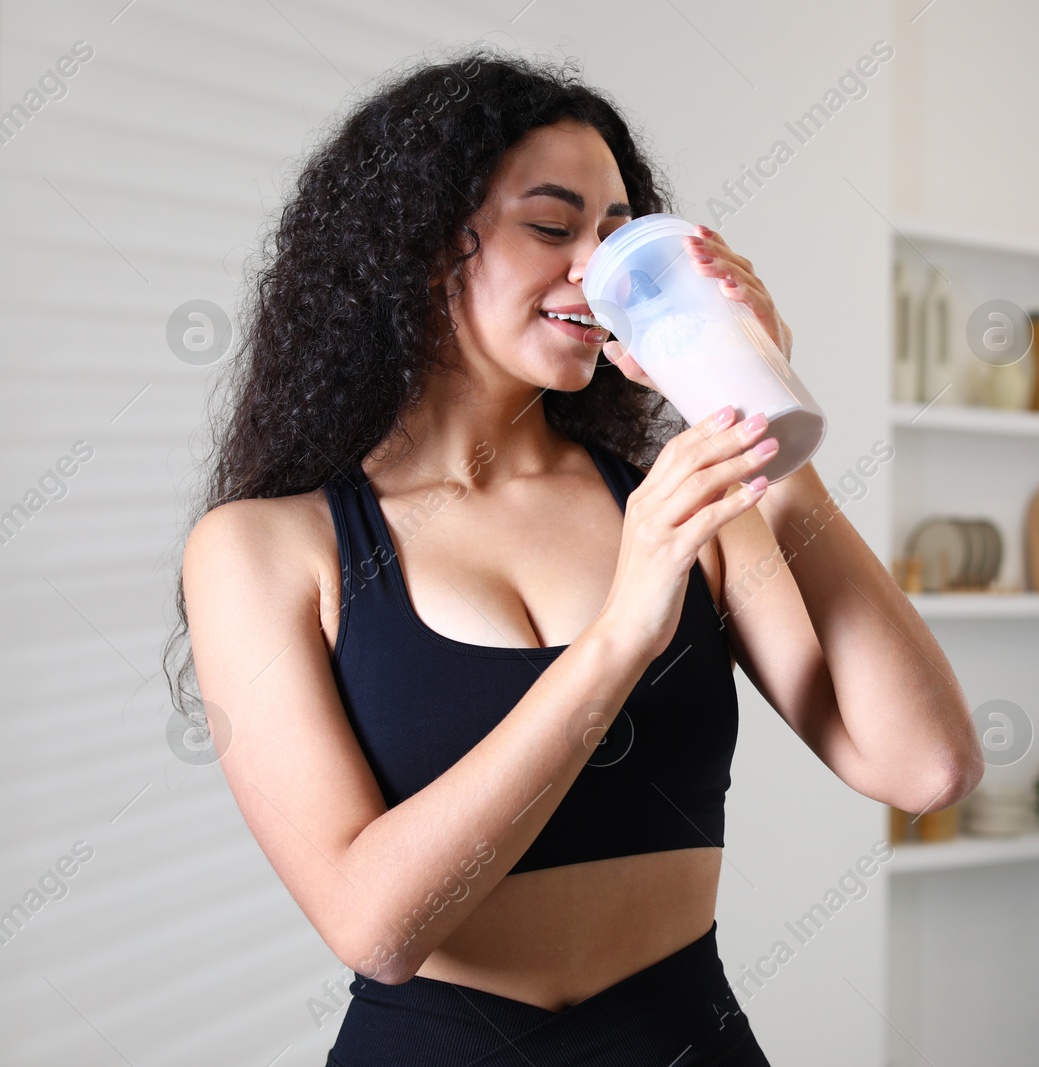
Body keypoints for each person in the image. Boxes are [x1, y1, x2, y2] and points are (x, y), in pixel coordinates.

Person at [170, 47, 981, 1066]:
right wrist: (618, 636)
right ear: (418, 248)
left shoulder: (682, 504)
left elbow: (927, 762)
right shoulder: (266, 547)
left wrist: (758, 409)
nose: (594, 269)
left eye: (614, 233)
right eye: (553, 228)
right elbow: (376, 927)